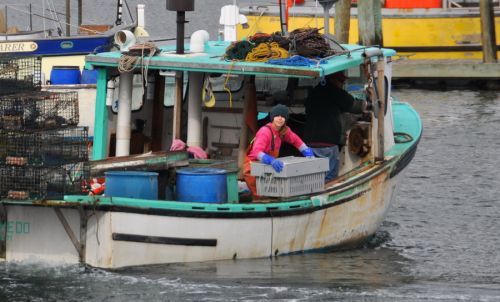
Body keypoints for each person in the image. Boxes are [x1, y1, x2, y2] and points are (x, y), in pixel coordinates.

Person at [304, 71, 371, 182]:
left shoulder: (314, 92)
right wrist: (366, 104)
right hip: (327, 143)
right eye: (341, 81)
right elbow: (354, 106)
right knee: (329, 179)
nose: (342, 84)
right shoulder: (335, 91)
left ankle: (312, 195)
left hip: (309, 143)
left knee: (312, 177)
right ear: (334, 80)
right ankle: (325, 197)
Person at [243, 104, 314, 197]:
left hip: (268, 169)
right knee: (260, 196)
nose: (280, 118)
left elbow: (296, 140)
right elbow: (256, 152)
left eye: (283, 116)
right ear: (272, 118)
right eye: (277, 116)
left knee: (271, 193)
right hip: (254, 168)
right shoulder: (265, 132)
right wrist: (270, 160)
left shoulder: (283, 131)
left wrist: (306, 150)